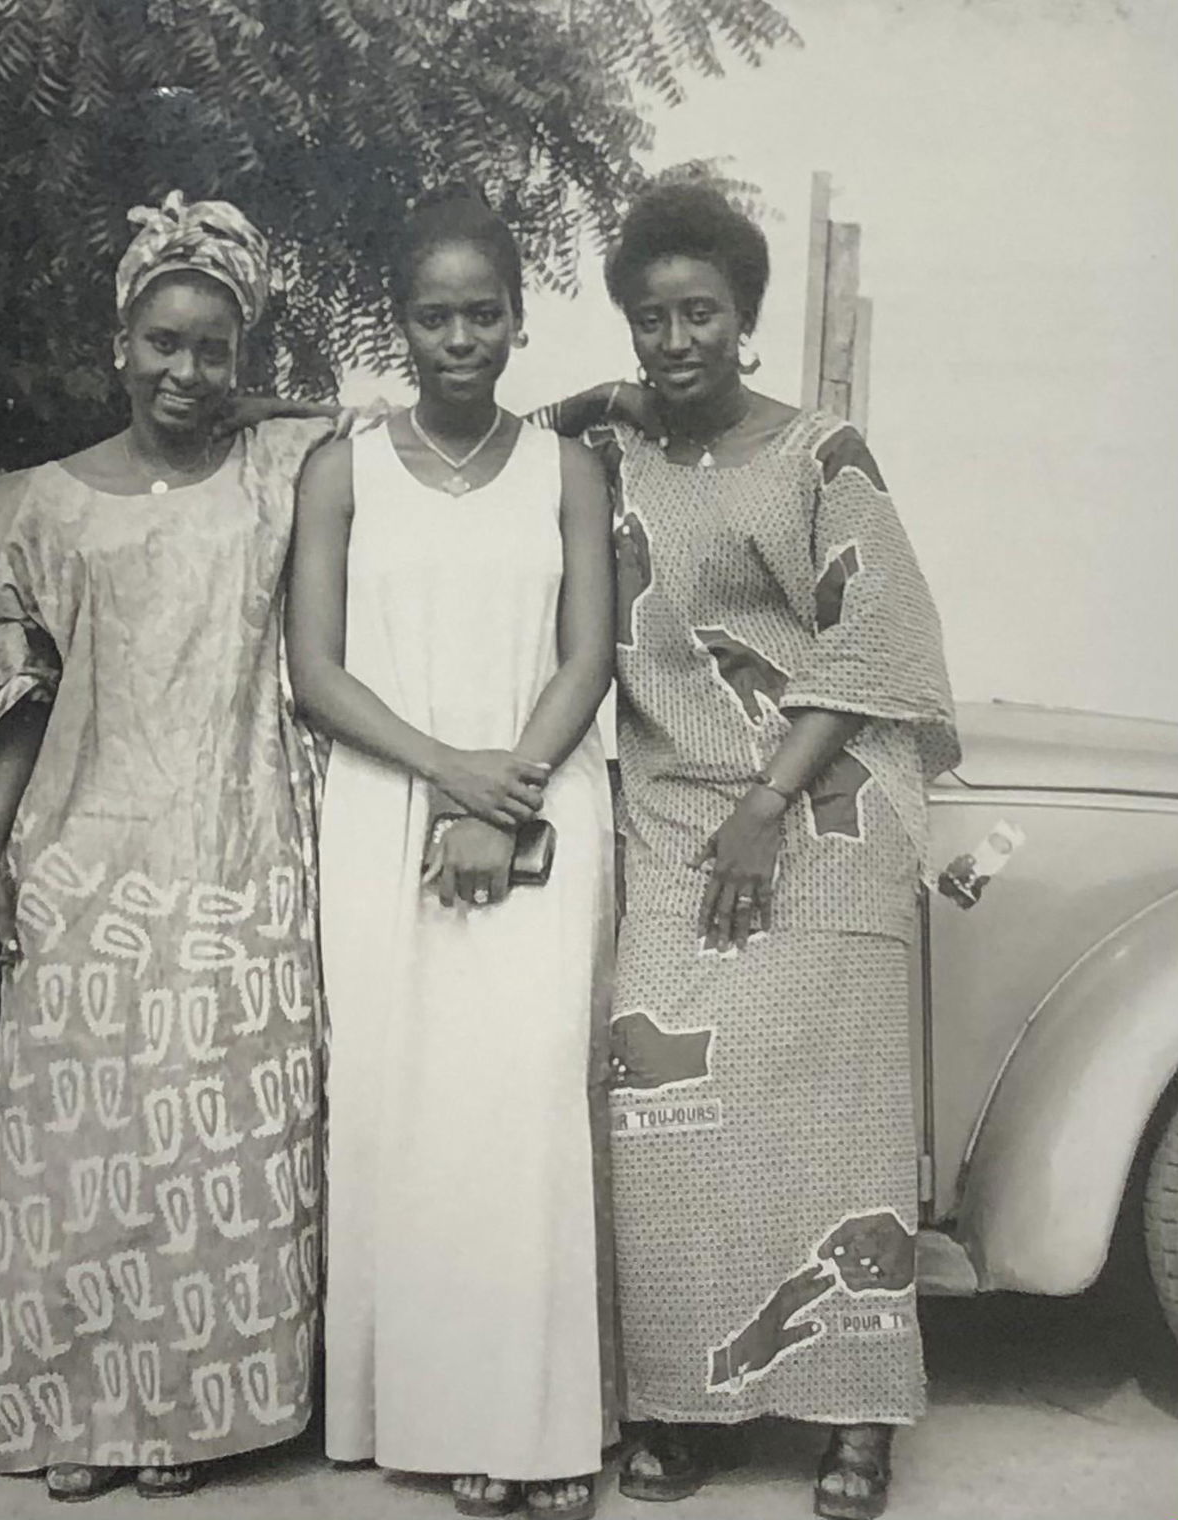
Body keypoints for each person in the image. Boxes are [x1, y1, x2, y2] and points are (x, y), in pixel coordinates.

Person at [0, 191, 345, 1503]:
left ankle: (189, 1425)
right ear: (119, 344)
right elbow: (12, 693)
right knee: (76, 1162)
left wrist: (268, 415)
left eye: (215, 350)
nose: (186, 374)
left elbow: (394, 426)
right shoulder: (55, 503)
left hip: (240, 862)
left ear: (247, 363)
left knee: (213, 1165)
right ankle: (73, 1413)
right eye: (163, 343)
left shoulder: (281, 478)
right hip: (81, 869)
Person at [551, 179, 957, 1520]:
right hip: (675, 819)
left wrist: (770, 803)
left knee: (835, 1128)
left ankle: (855, 1421)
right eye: (651, 319)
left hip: (821, 810)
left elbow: (875, 638)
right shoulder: (617, 454)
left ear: (747, 321)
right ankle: (690, 1399)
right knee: (660, 1109)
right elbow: (474, 430)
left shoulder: (823, 453)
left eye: (701, 315)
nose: (676, 341)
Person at [287, 189, 617, 1520]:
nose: (463, 336)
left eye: (485, 312)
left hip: (539, 807)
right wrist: (449, 776)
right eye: (437, 315)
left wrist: (506, 794)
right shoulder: (341, 469)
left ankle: (533, 1431)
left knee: (522, 1109)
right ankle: (417, 1416)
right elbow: (316, 672)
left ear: (520, 319)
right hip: (384, 809)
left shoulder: (567, 471)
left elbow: (586, 655)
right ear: (400, 325)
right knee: (404, 1109)